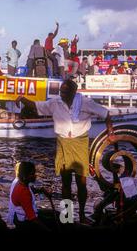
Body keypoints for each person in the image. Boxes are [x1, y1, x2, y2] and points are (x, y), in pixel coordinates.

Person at [16, 79, 114, 224]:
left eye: (65, 92)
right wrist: (22, 99)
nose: (62, 94)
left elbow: (106, 114)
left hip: (80, 143)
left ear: (74, 92)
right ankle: (67, 216)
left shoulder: (86, 102)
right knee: (65, 183)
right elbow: (37, 106)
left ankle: (81, 215)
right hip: (63, 143)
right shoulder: (55, 103)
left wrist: (110, 132)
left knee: (82, 183)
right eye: (61, 91)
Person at [8, 162, 51, 231]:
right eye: (32, 174)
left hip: (20, 217)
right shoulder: (23, 192)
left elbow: (30, 190)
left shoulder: (20, 183)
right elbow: (32, 218)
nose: (35, 176)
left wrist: (41, 190)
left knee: (49, 215)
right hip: (25, 223)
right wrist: (48, 230)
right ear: (25, 176)